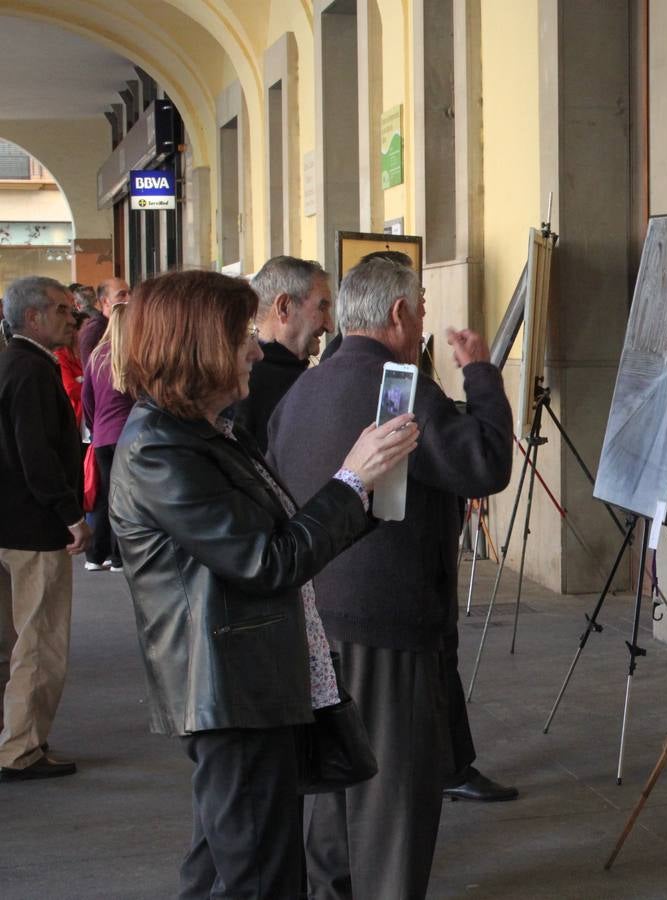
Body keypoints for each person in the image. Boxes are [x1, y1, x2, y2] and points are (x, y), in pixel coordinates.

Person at [109, 270, 419, 898]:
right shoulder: (160, 449)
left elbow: (277, 537)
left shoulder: (204, 431)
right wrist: (351, 481)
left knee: (224, 869)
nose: (255, 349)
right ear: (198, 347)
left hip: (245, 688)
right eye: (240, 336)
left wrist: (362, 490)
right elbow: (269, 560)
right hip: (232, 693)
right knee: (260, 878)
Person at [269, 257, 513, 899]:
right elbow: (485, 463)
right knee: (392, 804)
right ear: (399, 314)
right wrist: (482, 374)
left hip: (314, 616)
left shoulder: (302, 390)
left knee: (335, 793)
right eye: (423, 308)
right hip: (388, 624)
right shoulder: (398, 388)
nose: (425, 320)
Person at [0, 276, 88, 781]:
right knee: (39, 641)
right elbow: (36, 454)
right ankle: (21, 749)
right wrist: (69, 514)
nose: (71, 319)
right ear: (32, 317)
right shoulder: (32, 371)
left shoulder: (17, 364)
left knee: (18, 639)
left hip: (14, 523)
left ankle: (20, 740)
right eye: (61, 310)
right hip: (33, 527)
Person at [235, 256, 334, 452]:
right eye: (322, 307)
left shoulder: (248, 380)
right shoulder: (242, 386)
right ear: (284, 307)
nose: (330, 325)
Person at [81, 304, 135, 573]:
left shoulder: (95, 357)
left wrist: (95, 427)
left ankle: (94, 555)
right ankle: (119, 557)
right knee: (125, 496)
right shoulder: (133, 356)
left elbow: (86, 399)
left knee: (104, 496)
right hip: (128, 436)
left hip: (102, 436)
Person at [77, 276, 130, 368]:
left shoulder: (124, 325)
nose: (129, 299)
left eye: (129, 293)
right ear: (105, 301)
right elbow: (92, 372)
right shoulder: (94, 331)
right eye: (122, 295)